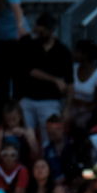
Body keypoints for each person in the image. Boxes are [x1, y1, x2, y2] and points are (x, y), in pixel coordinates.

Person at [15, 14, 73, 146]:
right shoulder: (29, 46)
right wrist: (56, 80)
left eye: (42, 32)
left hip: (50, 101)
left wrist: (68, 107)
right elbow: (30, 70)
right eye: (37, 31)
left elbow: (69, 82)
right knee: (25, 137)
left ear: (51, 30)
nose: (38, 34)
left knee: (49, 138)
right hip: (28, 99)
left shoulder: (63, 51)